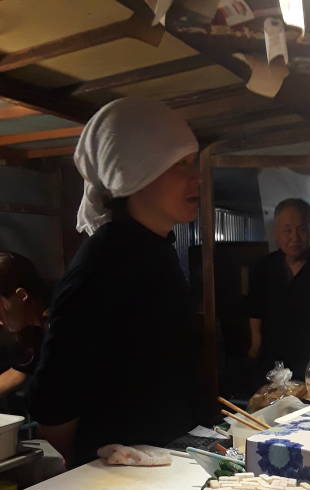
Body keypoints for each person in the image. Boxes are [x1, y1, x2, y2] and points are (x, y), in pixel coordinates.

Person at [29, 96, 205, 466]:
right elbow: (54, 401)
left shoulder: (158, 249)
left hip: (166, 466)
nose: (196, 177)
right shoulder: (104, 262)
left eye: (194, 161)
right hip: (119, 482)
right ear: (133, 173)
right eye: (179, 164)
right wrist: (82, 477)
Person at [248, 198, 310, 383]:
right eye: (287, 230)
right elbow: (255, 310)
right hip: (272, 360)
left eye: (301, 229)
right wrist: (255, 345)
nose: (294, 237)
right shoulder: (263, 267)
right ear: (276, 233)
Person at [0, 251, 49, 400]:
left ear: (22, 295)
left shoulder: (58, 327)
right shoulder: (31, 332)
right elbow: (19, 371)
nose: (0, 321)